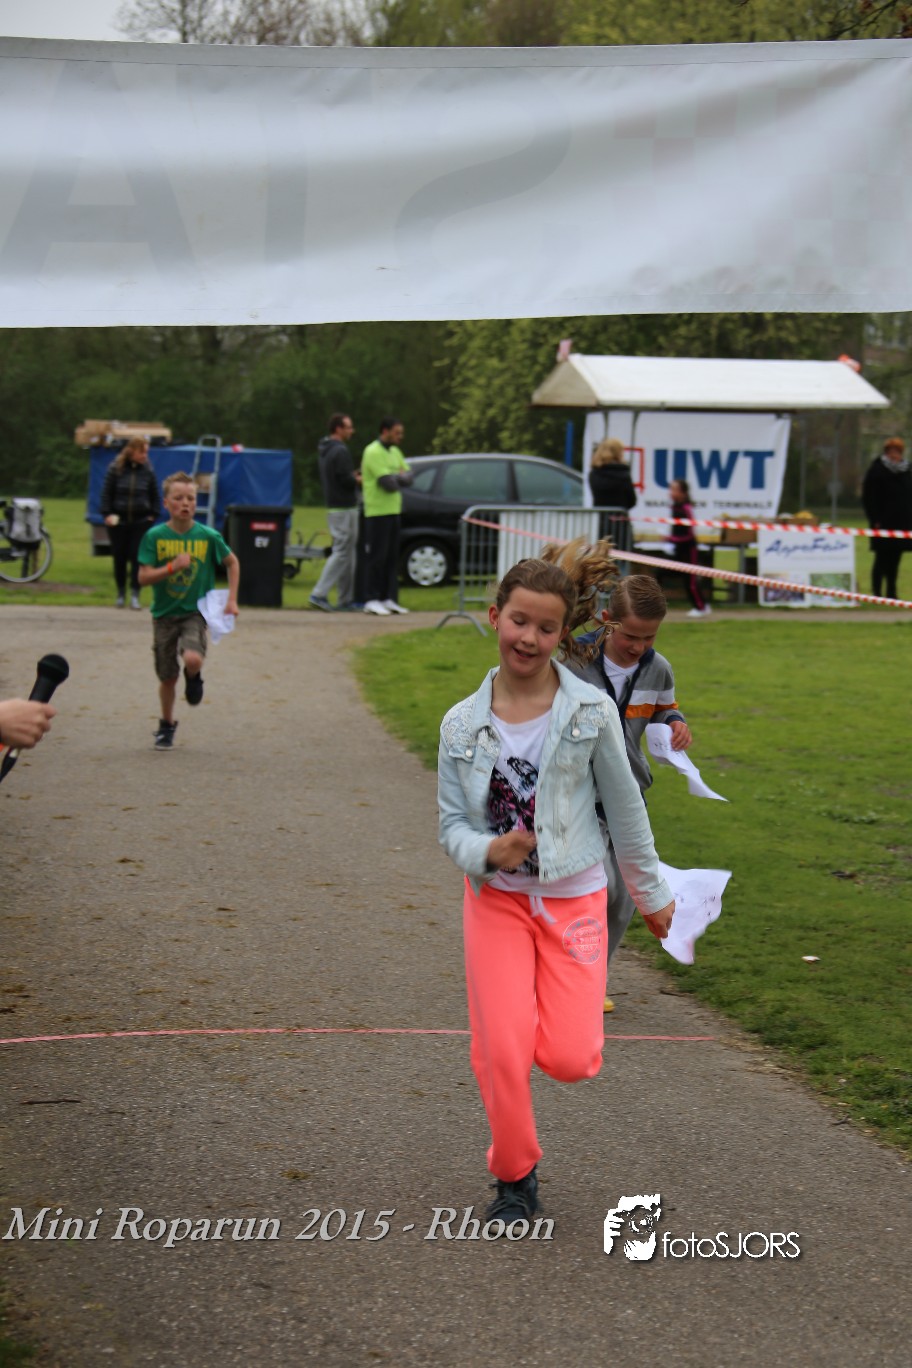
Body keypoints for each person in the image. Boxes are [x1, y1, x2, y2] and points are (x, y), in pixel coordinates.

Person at [437, 552, 674, 1233]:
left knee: (572, 1058)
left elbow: (625, 810)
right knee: (502, 1050)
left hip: (575, 899)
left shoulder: (590, 711)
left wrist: (651, 893)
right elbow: (451, 825)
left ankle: (533, 1023)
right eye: (519, 621)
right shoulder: (461, 724)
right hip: (497, 901)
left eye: (545, 628)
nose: (529, 638)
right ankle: (514, 1176)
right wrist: (486, 851)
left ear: (562, 633)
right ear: (495, 617)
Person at [563, 569, 692, 1009]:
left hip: (628, 795)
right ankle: (571, 977)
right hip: (579, 795)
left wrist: (674, 724)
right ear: (606, 620)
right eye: (630, 636)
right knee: (600, 887)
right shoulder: (573, 661)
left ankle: (592, 976)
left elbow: (664, 709)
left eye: (649, 637)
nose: (638, 646)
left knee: (627, 899)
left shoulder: (658, 669)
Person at [137, 472, 239, 750]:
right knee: (168, 677)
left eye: (191, 498)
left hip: (196, 612)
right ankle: (166, 724)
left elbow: (232, 563)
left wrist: (231, 600)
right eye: (179, 498)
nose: (185, 503)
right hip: (164, 615)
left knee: (193, 658)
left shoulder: (208, 536)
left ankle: (193, 676)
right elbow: (143, 577)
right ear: (166, 503)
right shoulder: (155, 537)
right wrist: (172, 567)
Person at [309, 413, 362, 613]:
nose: (352, 431)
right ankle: (319, 594)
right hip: (344, 507)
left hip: (335, 506)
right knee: (342, 551)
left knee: (347, 552)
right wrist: (358, 479)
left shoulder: (326, 449)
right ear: (338, 429)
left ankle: (345, 599)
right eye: (348, 427)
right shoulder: (340, 450)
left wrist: (350, 476)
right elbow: (345, 480)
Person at [100, 437, 161, 610]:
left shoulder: (148, 471)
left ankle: (135, 593)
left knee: (137, 557)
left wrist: (153, 515)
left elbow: (154, 494)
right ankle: (120, 593)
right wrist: (107, 514)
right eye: (142, 452)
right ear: (132, 451)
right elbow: (106, 493)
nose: (145, 456)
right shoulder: (115, 469)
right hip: (118, 521)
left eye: (146, 452)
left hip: (140, 521)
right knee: (119, 556)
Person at [360, 417, 412, 617]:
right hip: (377, 512)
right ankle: (371, 599)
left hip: (393, 510)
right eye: (397, 432)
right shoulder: (372, 451)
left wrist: (397, 477)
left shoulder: (395, 451)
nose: (401, 436)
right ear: (385, 431)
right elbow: (387, 484)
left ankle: (387, 598)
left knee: (391, 558)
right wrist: (399, 477)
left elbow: (409, 477)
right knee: (377, 557)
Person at [862, 436, 912, 600]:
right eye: (891, 451)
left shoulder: (907, 470)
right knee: (881, 558)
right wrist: (874, 518)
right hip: (882, 523)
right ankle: (877, 592)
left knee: (895, 560)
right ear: (886, 452)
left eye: (897, 451)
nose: (894, 455)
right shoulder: (877, 470)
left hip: (902, 523)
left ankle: (892, 592)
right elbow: (869, 497)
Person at [667, 478, 710, 617]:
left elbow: (689, 532)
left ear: (683, 493)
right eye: (671, 489)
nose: (671, 492)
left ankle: (700, 607)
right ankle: (702, 605)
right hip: (678, 547)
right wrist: (671, 540)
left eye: (675, 489)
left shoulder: (686, 508)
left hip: (689, 548)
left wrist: (673, 539)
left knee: (691, 580)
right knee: (683, 578)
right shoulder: (675, 507)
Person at [588, 438, 636, 550]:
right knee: (623, 556)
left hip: (602, 522)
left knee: (603, 556)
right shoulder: (623, 474)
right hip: (620, 523)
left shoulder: (594, 474)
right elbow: (632, 500)